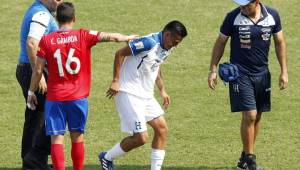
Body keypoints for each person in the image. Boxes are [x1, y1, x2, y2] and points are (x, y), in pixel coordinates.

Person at [26, 2, 136, 170]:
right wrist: (127, 37)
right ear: (74, 18)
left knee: (56, 139)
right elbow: (111, 37)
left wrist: (31, 91)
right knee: (77, 137)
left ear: (57, 18)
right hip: (78, 98)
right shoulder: (83, 35)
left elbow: (38, 70)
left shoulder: (46, 41)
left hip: (55, 98)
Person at [208, 0, 288, 169]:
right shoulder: (232, 17)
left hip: (262, 74)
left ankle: (245, 157)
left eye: (245, 5)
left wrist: (284, 71)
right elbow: (220, 42)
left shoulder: (272, 16)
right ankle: (249, 161)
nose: (242, 7)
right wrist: (213, 70)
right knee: (250, 115)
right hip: (240, 74)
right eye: (240, 4)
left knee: (257, 116)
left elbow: (280, 42)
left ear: (256, 2)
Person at [99, 20, 188, 170]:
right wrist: (115, 80)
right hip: (129, 93)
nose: (176, 45)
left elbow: (156, 65)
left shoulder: (167, 46)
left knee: (162, 129)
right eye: (175, 41)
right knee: (141, 138)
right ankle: (106, 157)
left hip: (146, 95)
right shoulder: (148, 42)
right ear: (167, 35)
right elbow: (120, 53)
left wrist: (162, 90)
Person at [16, 0, 63, 169]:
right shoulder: (41, 14)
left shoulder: (40, 10)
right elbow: (31, 43)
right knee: (44, 119)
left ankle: (32, 162)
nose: (59, 2)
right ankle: (34, 162)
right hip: (33, 72)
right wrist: (40, 74)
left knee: (35, 118)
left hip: (29, 70)